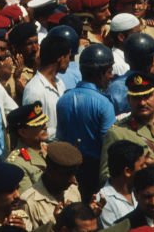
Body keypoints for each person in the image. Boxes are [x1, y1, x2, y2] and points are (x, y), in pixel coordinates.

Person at [56, 44, 116, 200]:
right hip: (95, 171)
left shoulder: (63, 99)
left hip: (69, 169)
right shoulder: (104, 104)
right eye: (109, 72)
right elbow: (108, 145)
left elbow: (60, 137)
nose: (111, 76)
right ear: (100, 74)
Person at [20, 142, 83, 228]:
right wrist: (57, 227)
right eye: (67, 175)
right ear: (50, 171)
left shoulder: (73, 189)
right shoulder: (29, 202)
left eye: (74, 174)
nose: (73, 180)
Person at [97, 140, 146, 226]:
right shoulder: (103, 201)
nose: (145, 168)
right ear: (127, 171)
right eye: (141, 166)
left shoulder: (143, 190)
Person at [5, 103, 49, 192]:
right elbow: (28, 200)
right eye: (38, 124)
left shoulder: (49, 149)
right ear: (23, 132)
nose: (45, 127)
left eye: (44, 122)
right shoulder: (16, 163)